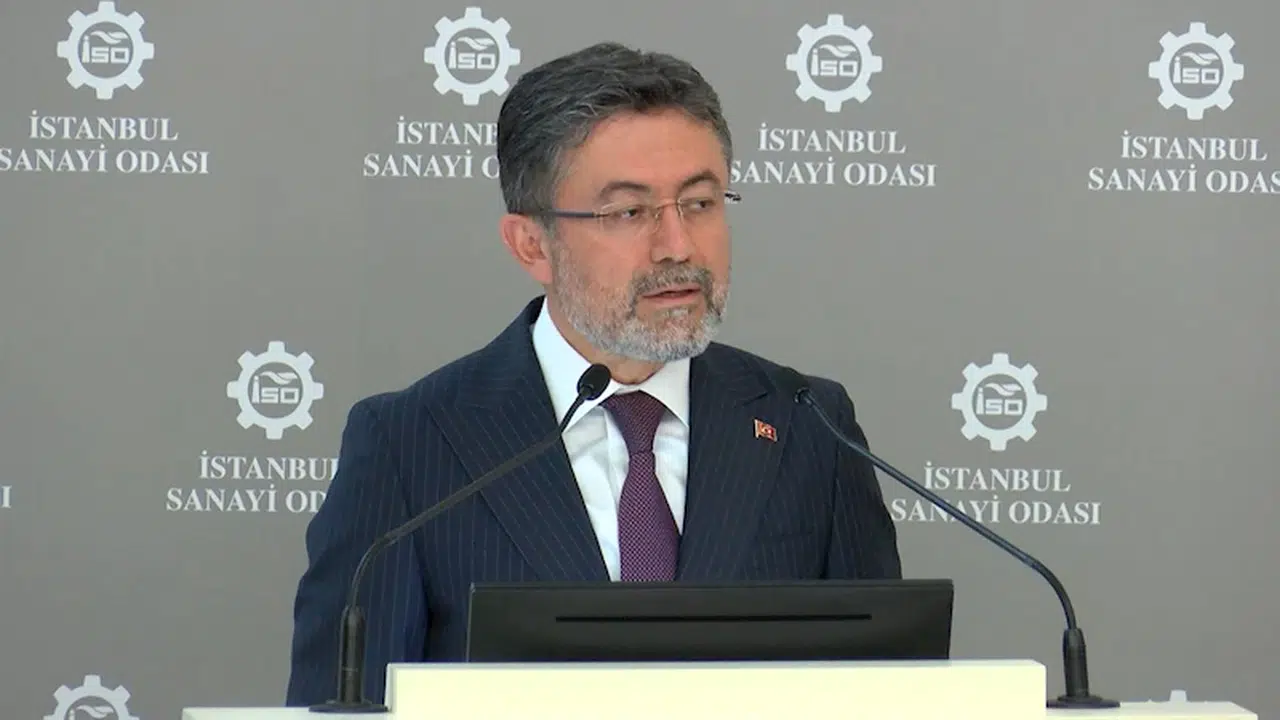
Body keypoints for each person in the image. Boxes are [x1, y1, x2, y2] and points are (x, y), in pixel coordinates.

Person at [285, 41, 901, 707]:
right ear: (532, 244)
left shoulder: (809, 425)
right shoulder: (409, 445)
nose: (678, 247)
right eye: (629, 213)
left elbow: (888, 694)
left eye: (699, 203)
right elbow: (342, 706)